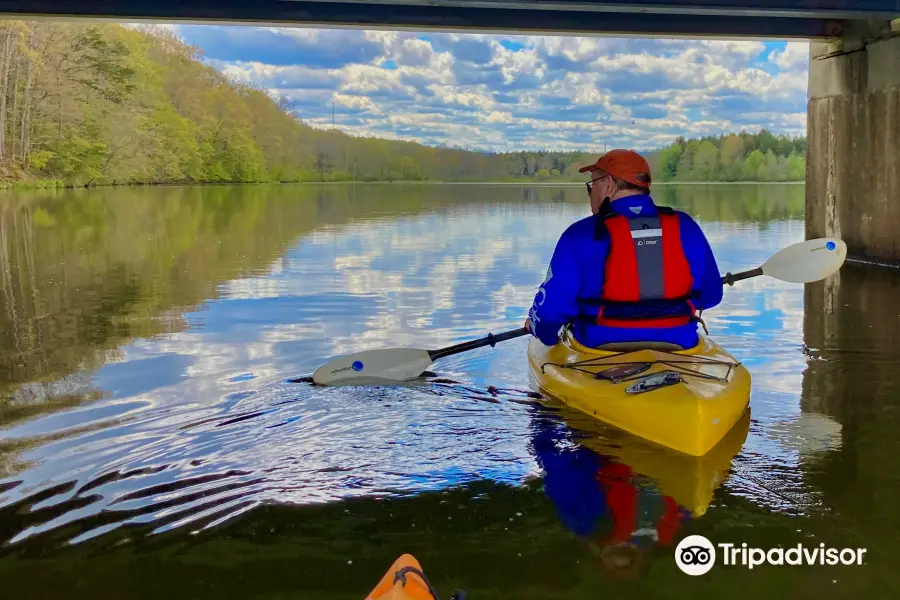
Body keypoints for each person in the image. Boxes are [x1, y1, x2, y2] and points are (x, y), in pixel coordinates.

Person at [524, 149, 723, 350]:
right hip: (679, 345)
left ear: (608, 183)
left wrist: (537, 327)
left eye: (592, 185)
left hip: (598, 349)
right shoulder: (685, 226)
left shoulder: (579, 234)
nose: (591, 192)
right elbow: (711, 296)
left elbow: (549, 315)